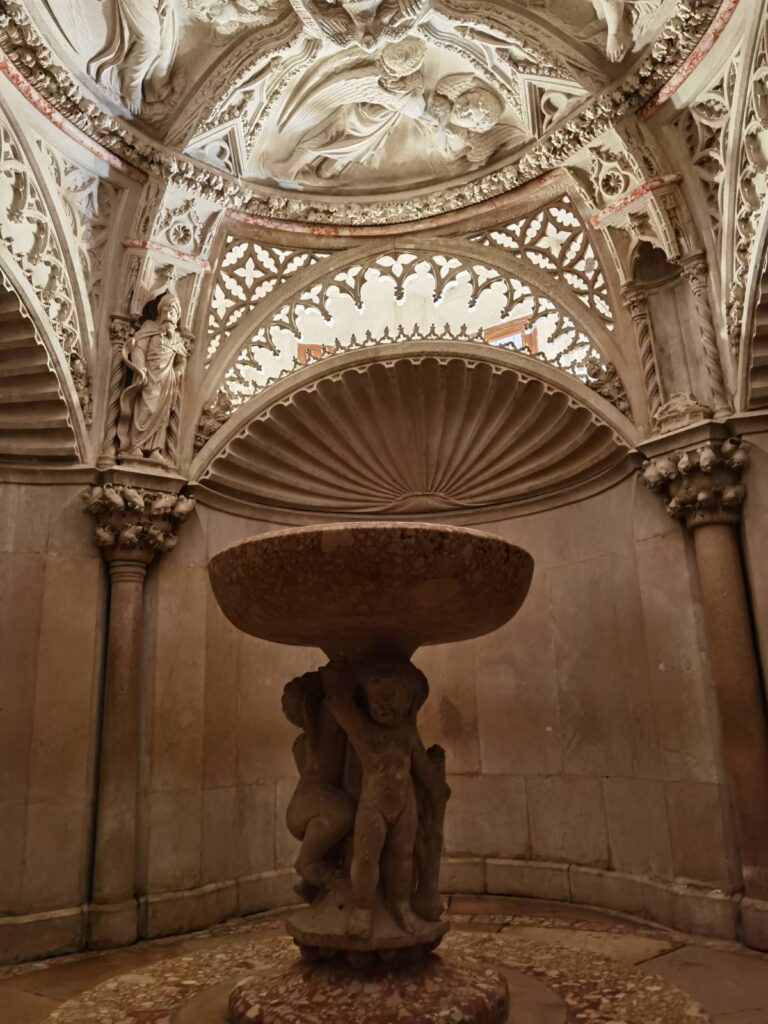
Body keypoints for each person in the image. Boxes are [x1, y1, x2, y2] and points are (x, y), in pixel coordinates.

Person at [320, 658, 450, 939]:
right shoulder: (365, 733)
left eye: (391, 698)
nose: (383, 706)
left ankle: (401, 904)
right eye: (377, 700)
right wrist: (350, 671)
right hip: (373, 806)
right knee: (366, 858)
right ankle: (363, 908)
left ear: (407, 701)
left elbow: (422, 768)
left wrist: (437, 788)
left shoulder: (407, 733)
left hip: (405, 805)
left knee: (402, 857)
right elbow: (341, 707)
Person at [282, 672, 355, 899]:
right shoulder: (330, 710)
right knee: (343, 813)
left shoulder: (301, 743)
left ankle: (311, 884)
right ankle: (308, 864)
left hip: (302, 806)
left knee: (335, 828)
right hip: (317, 802)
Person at [117, 292, 187, 464]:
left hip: (167, 380)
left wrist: (178, 372)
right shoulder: (149, 328)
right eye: (166, 309)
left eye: (173, 311)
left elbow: (181, 360)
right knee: (145, 409)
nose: (169, 314)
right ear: (160, 312)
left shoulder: (177, 339)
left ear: (177, 317)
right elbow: (139, 348)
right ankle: (135, 446)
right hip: (149, 376)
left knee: (162, 416)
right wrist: (141, 368)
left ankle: (155, 449)